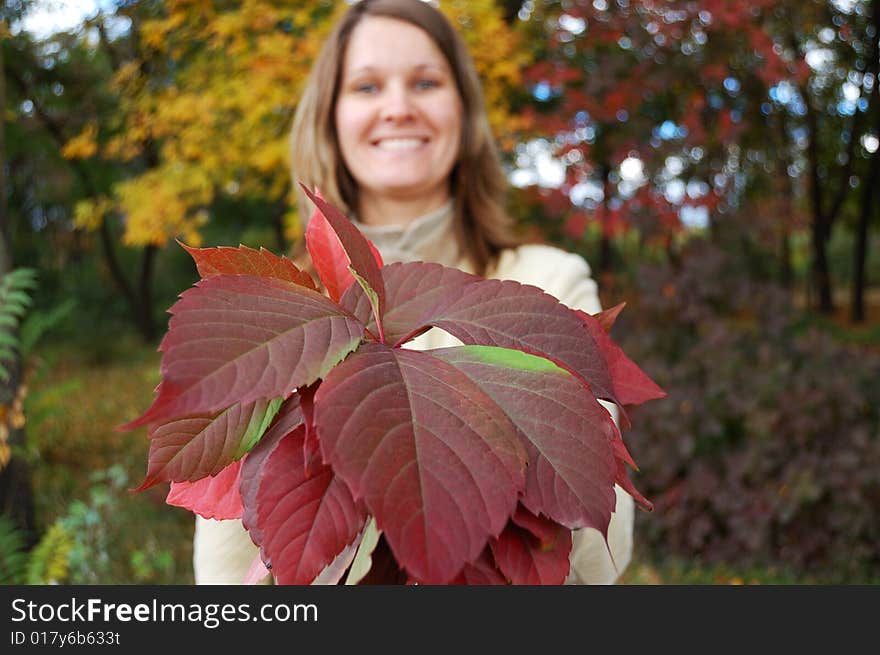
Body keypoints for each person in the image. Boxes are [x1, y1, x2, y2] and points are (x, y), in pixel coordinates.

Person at [193, 0, 634, 585]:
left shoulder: (549, 283)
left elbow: (602, 552)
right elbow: (228, 580)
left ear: (464, 112)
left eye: (425, 82)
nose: (398, 108)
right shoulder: (276, 307)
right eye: (367, 86)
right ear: (329, 117)